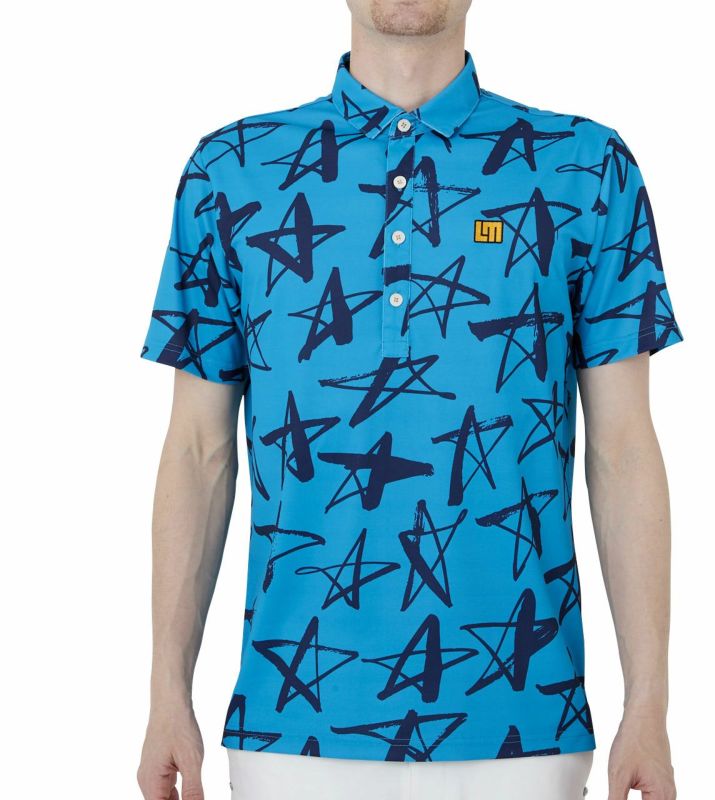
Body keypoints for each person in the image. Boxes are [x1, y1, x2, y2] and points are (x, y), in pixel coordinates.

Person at [136, 1, 683, 798]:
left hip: (526, 730)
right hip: (290, 733)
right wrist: (165, 693)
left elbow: (623, 449)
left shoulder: (585, 170)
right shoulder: (231, 171)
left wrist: (649, 705)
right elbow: (197, 451)